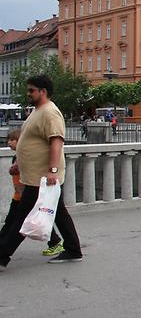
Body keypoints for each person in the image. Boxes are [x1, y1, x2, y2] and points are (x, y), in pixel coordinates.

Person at [0, 75, 83, 270]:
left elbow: (56, 142)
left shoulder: (50, 112)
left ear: (43, 91)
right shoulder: (38, 111)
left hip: (42, 178)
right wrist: (19, 165)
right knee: (59, 214)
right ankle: (73, 249)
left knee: (23, 215)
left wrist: (52, 171)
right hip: (35, 175)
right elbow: (33, 143)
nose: (28, 94)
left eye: (31, 90)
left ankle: (2, 255)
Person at [2, 130, 65, 256]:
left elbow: (15, 170)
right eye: (8, 140)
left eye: (12, 140)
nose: (9, 143)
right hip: (19, 195)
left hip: (24, 195)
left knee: (21, 222)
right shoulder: (18, 156)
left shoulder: (23, 157)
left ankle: (55, 242)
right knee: (18, 221)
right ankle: (55, 242)